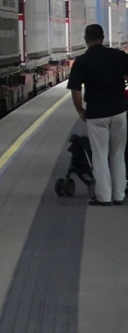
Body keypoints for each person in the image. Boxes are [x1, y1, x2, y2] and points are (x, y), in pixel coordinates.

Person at [67, 23, 128, 205]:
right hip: (119, 112)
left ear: (86, 40)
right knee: (118, 154)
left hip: (96, 114)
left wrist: (80, 110)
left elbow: (75, 90)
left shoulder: (82, 61)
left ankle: (103, 196)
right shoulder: (119, 56)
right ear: (103, 38)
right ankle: (119, 195)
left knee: (100, 155)